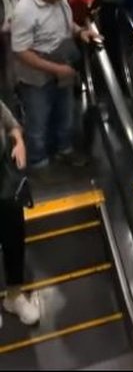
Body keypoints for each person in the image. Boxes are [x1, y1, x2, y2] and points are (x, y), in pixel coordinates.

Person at [11, 0, 94, 173]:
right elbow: (21, 51)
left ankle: (63, 149)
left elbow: (66, 23)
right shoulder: (24, 12)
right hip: (37, 76)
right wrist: (55, 69)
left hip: (62, 63)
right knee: (39, 119)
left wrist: (79, 31)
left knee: (65, 112)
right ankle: (39, 162)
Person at [0, 99, 40, 326]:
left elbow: (11, 124)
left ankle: (14, 296)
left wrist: (19, 142)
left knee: (14, 239)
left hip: (3, 181)